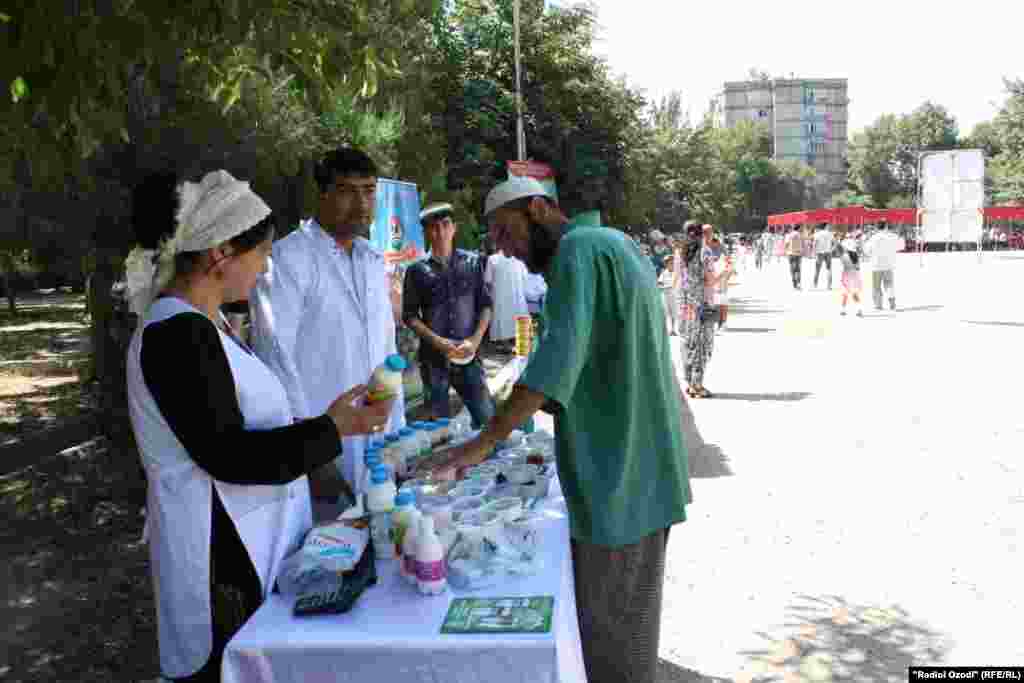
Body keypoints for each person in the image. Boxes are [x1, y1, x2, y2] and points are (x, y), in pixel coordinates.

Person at [418, 176, 691, 683]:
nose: (506, 250)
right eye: (496, 241)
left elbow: (554, 365)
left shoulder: (576, 253)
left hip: (620, 478)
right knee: (627, 618)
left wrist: (485, 441)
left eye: (507, 233)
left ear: (540, 209)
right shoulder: (610, 241)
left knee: (613, 637)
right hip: (639, 466)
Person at [124, 170, 393, 683]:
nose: (267, 266)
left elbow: (238, 424)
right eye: (262, 253)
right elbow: (229, 455)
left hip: (250, 542)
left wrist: (329, 424)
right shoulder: (177, 334)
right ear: (221, 253)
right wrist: (329, 431)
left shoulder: (206, 325)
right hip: (219, 555)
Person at [249, 148, 404, 502]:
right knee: (333, 531)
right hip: (322, 449)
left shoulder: (372, 260)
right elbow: (275, 360)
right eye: (348, 191)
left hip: (378, 442)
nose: (361, 204)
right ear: (322, 194)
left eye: (369, 191)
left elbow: (387, 353)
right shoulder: (288, 259)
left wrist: (397, 431)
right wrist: (313, 456)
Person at [401, 202, 495, 426]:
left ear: (454, 228)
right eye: (434, 227)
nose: (440, 232)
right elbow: (410, 316)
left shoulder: (473, 262)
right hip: (433, 361)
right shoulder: (416, 270)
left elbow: (485, 305)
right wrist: (439, 342)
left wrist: (475, 341)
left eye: (445, 225)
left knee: (487, 420)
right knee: (439, 428)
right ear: (426, 232)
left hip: (469, 356)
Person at [681, 221, 730, 396]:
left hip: (688, 303)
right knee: (703, 344)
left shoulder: (683, 252)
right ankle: (698, 385)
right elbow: (710, 280)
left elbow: (683, 279)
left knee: (690, 342)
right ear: (701, 234)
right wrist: (725, 272)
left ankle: (690, 383)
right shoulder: (705, 252)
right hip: (703, 303)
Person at [484, 248, 530, 352]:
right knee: (518, 315)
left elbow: (488, 281)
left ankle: (508, 345)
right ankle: (519, 346)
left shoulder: (492, 259)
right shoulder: (520, 259)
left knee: (503, 317)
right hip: (516, 297)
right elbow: (525, 278)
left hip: (502, 297)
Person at [862, 219, 905, 311]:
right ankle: (892, 302)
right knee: (889, 284)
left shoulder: (873, 238)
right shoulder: (892, 236)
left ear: (877, 227)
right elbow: (901, 246)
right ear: (886, 226)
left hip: (876, 265)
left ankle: (878, 304)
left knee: (876, 286)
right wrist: (900, 237)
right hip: (889, 264)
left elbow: (866, 250)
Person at [837, 232, 865, 317]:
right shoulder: (855, 256)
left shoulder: (843, 255)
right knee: (854, 294)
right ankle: (859, 309)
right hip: (855, 275)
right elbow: (857, 267)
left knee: (845, 294)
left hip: (846, 275)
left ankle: (843, 309)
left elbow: (843, 263)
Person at [812, 223, 835, 289]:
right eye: (828, 226)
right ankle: (829, 285)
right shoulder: (830, 233)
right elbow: (835, 243)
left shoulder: (817, 234)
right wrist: (831, 249)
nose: (829, 227)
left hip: (820, 253)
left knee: (817, 269)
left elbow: (814, 243)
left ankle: (815, 284)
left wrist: (814, 252)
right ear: (825, 227)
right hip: (828, 252)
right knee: (829, 269)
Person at [784, 225, 805, 290]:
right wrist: (802, 251)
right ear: (798, 228)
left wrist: (785, 251)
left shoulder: (788, 235)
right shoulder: (800, 235)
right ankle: (798, 283)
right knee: (798, 269)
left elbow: (786, 244)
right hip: (798, 254)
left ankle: (794, 282)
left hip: (790, 253)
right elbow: (803, 244)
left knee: (792, 269)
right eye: (801, 228)